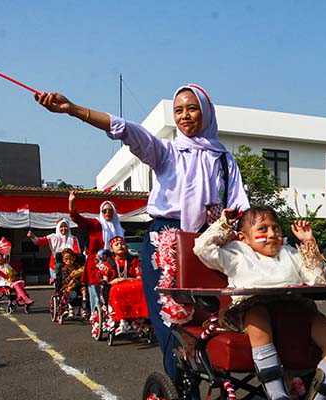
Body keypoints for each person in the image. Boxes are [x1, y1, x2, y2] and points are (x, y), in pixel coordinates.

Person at [35, 83, 250, 380]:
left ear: (207, 112)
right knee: (171, 325)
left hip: (211, 244)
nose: (184, 116)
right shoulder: (166, 152)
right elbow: (128, 130)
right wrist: (73, 109)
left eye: (192, 108)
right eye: (178, 110)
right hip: (166, 242)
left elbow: (241, 208)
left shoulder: (224, 160)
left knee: (218, 322)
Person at [193, 206, 326, 400]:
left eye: (276, 228)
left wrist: (308, 242)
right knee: (258, 316)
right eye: (262, 229)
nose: (272, 233)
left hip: (295, 311)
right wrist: (225, 224)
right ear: (243, 236)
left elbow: (318, 279)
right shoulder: (236, 251)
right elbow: (202, 248)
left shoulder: (291, 253)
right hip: (251, 311)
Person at [68, 191, 112, 312]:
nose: (107, 213)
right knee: (96, 296)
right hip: (96, 265)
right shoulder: (95, 224)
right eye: (104, 210)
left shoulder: (117, 227)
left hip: (113, 265)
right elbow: (77, 219)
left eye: (110, 210)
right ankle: (97, 319)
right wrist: (71, 202)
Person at [98, 235, 145, 334]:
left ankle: (141, 318)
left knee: (141, 286)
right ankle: (122, 321)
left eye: (123, 244)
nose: (120, 246)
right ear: (111, 249)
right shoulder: (107, 264)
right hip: (114, 288)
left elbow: (139, 278)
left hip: (132, 286)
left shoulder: (134, 261)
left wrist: (124, 280)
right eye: (117, 244)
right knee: (115, 290)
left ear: (127, 247)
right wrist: (114, 282)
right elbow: (105, 282)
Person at [28, 218, 80, 283]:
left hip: (70, 267)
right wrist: (33, 237)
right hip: (55, 267)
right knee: (58, 286)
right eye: (61, 226)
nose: (63, 228)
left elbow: (77, 252)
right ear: (58, 227)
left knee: (70, 286)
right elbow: (39, 241)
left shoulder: (73, 239)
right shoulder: (52, 237)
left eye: (65, 226)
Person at [58, 248, 86, 318]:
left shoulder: (78, 266)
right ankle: (70, 308)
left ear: (74, 258)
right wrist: (70, 276)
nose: (69, 261)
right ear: (63, 260)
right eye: (66, 259)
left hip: (79, 283)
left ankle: (84, 305)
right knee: (69, 289)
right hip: (68, 285)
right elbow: (64, 281)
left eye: (70, 259)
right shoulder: (64, 269)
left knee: (84, 288)